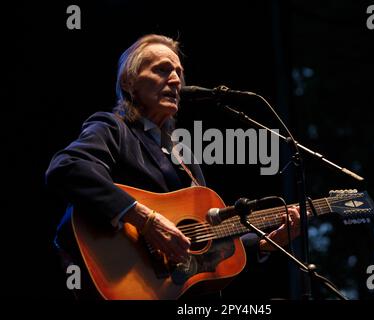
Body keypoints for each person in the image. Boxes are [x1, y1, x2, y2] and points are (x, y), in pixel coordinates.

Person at [46, 34, 300, 300]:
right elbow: (67, 167)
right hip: (123, 279)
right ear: (128, 82)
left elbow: (205, 243)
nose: (177, 80)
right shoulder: (113, 128)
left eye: (179, 72)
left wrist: (265, 243)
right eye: (162, 69)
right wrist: (146, 221)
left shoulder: (185, 157)